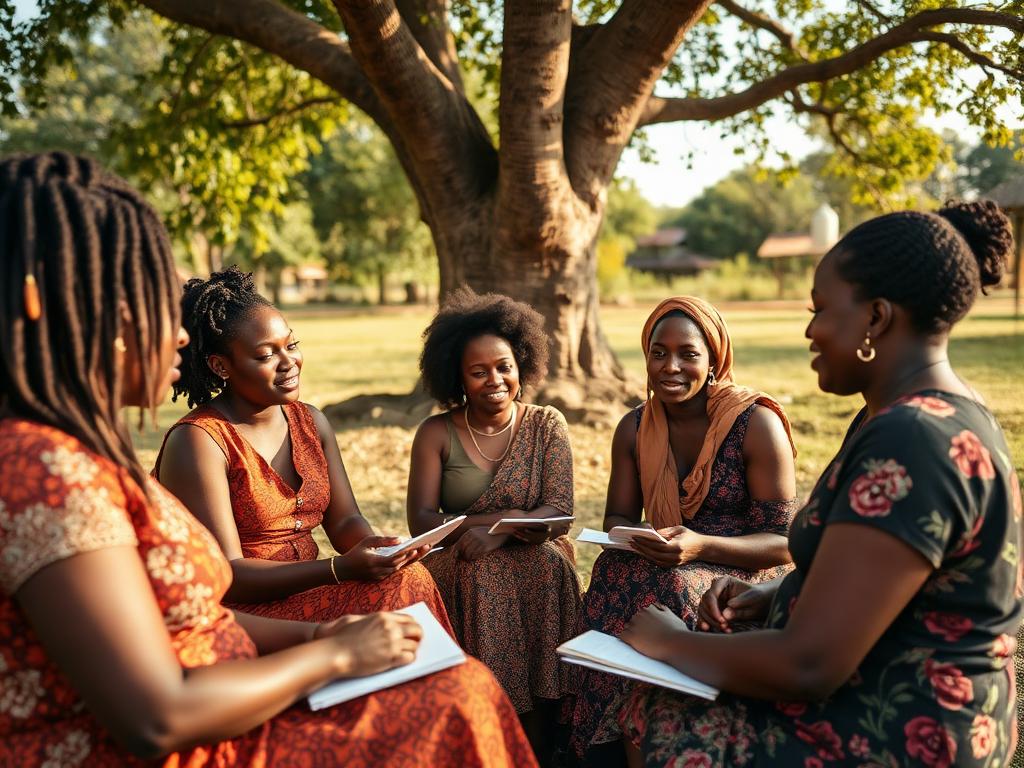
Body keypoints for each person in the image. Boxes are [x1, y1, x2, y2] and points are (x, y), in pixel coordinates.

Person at [0, 152, 537, 767]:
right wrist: (332, 655)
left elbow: (193, 619)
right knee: (455, 699)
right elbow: (158, 715)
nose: (178, 334)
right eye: (148, 298)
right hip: (194, 741)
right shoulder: (43, 473)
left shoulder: (79, 455)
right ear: (45, 300)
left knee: (449, 678)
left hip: (240, 680)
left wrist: (324, 634)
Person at [612, 200, 1022, 767]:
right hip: (887, 687)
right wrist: (771, 594)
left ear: (876, 318)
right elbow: (893, 582)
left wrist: (669, 643)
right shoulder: (916, 415)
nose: (809, 330)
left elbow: (811, 665)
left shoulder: (913, 439)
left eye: (822, 310)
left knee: (662, 707)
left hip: (906, 725)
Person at [567, 296, 799, 763]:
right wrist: (641, 538)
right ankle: (606, 735)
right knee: (615, 568)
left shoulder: (756, 425)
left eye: (688, 354)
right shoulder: (634, 428)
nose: (670, 366)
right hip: (667, 553)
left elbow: (784, 543)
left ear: (713, 360)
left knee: (668, 584)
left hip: (736, 568)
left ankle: (664, 728)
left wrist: (699, 546)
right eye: (658, 352)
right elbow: (618, 518)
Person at [155, 267, 452, 631]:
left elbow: (344, 522)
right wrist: (338, 569)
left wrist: (382, 550)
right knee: (401, 594)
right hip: (245, 614)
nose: (288, 363)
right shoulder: (200, 440)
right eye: (266, 356)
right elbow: (227, 572)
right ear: (221, 366)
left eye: (291, 346)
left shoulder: (311, 422)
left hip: (312, 592)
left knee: (408, 578)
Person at [406, 287, 583, 761]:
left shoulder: (547, 425)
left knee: (547, 565)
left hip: (537, 554)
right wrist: (495, 525)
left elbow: (559, 512)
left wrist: (501, 529)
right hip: (460, 561)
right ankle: (494, 722)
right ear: (458, 378)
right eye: (478, 371)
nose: (495, 380)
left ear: (522, 365)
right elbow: (422, 520)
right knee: (483, 572)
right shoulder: (437, 433)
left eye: (504, 366)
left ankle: (546, 728)